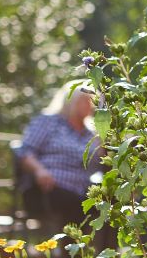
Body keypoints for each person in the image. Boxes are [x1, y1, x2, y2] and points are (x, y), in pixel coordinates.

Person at [16, 82, 100, 232]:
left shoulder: (92, 133)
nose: (90, 104)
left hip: (82, 189)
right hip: (48, 188)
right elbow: (25, 151)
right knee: (76, 205)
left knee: (109, 204)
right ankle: (71, 254)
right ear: (70, 101)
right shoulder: (48, 122)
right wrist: (39, 170)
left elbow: (100, 163)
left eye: (92, 100)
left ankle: (107, 253)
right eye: (85, 100)